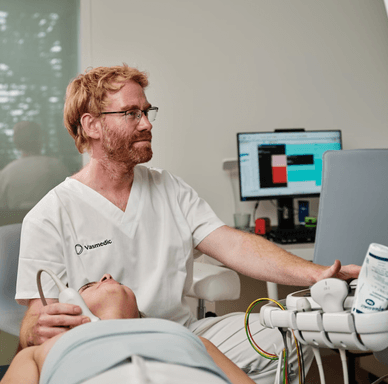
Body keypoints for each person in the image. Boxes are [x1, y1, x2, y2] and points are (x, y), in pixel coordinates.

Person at [15, 64, 360, 383]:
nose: (146, 124)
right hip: (106, 346)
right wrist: (36, 331)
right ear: (92, 125)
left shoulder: (170, 189)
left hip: (182, 332)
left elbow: (235, 245)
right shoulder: (50, 215)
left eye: (147, 111)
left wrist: (316, 274)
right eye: (131, 113)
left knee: (289, 339)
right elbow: (33, 325)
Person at [2, 274, 254, 384]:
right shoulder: (37, 353)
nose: (107, 276)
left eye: (119, 282)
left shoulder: (188, 338)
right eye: (88, 285)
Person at [0, 120, 70, 211]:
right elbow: (70, 203)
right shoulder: (56, 167)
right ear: (40, 140)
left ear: (16, 142)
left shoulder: (5, 174)